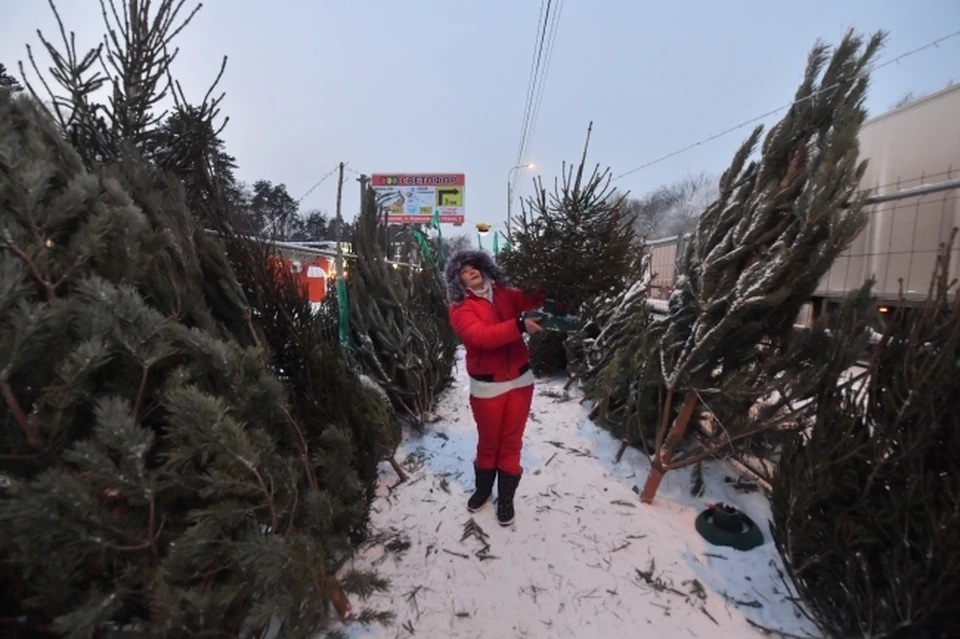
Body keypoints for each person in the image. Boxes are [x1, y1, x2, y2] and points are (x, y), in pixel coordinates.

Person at [444, 249, 544, 526]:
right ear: (458, 281)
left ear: (484, 267)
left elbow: (532, 297)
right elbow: (482, 337)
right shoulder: (460, 309)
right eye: (464, 270)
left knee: (512, 442)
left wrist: (549, 277)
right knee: (489, 443)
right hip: (488, 387)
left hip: (521, 382)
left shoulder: (504, 294)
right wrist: (520, 325)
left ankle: (507, 499)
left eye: (474, 266)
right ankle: (483, 489)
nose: (471, 271)